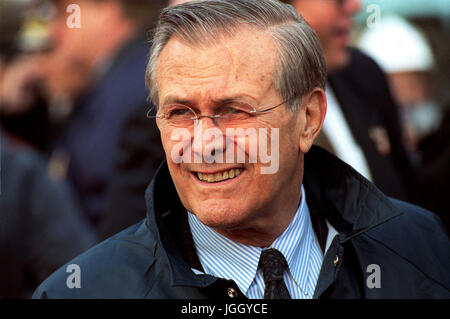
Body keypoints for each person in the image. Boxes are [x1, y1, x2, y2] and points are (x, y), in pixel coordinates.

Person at [33, 0, 449, 299]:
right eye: (180, 112)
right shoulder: (86, 289)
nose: (205, 142)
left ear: (308, 119)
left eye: (234, 110)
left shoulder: (420, 249)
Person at [280, 0, 416, 202]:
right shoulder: (245, 103)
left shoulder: (363, 74)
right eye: (338, 1)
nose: (355, 7)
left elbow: (407, 184)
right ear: (281, 7)